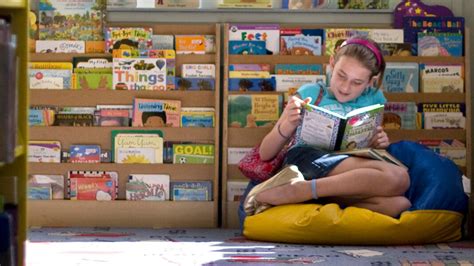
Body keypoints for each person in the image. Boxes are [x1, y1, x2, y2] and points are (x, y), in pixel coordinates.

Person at [239, 36, 411, 229]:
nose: (345, 88)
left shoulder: (375, 98)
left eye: (357, 82)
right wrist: (287, 124)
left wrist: (377, 142)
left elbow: (368, 145)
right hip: (307, 160)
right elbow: (265, 153)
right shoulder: (310, 92)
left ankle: (310, 198)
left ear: (371, 81)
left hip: (344, 173)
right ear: (331, 64)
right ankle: (301, 190)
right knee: (398, 177)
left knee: (399, 204)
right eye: (341, 75)